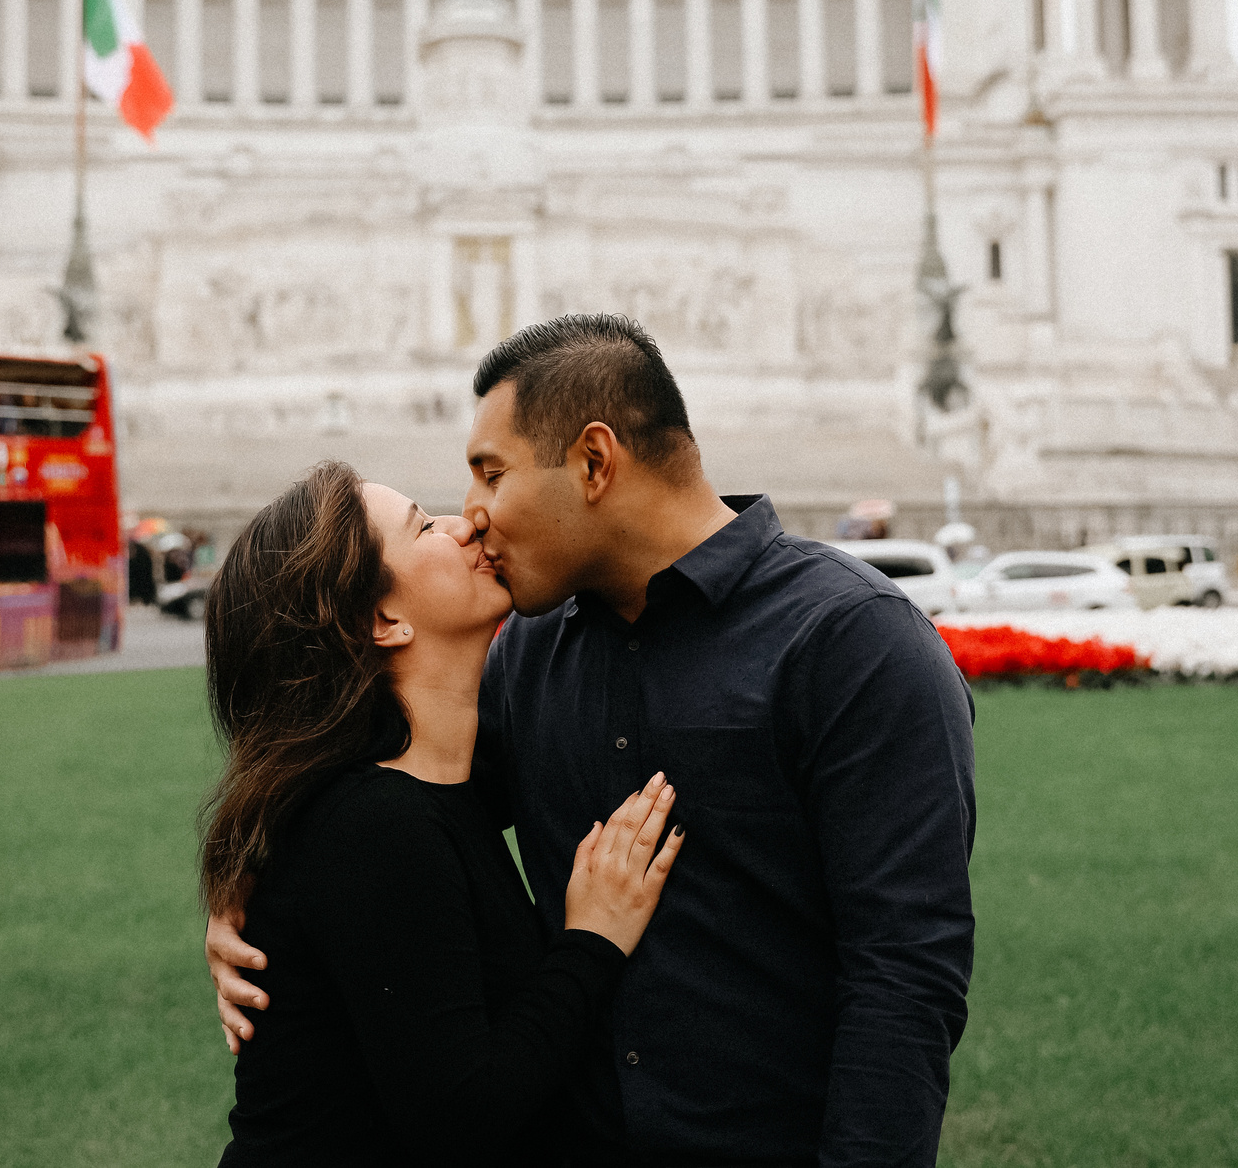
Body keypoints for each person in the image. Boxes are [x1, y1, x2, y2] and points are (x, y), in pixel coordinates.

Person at [213, 314, 977, 1167]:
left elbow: (904, 981)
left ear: (593, 461)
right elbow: (379, 819)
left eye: (492, 473)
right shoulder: (528, 656)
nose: (471, 514)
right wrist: (248, 892)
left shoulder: (854, 643)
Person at [204, 458, 684, 1166]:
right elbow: (464, 1115)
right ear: (383, 619)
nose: (468, 524)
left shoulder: (434, 791)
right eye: (424, 526)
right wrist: (594, 937)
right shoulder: (376, 826)